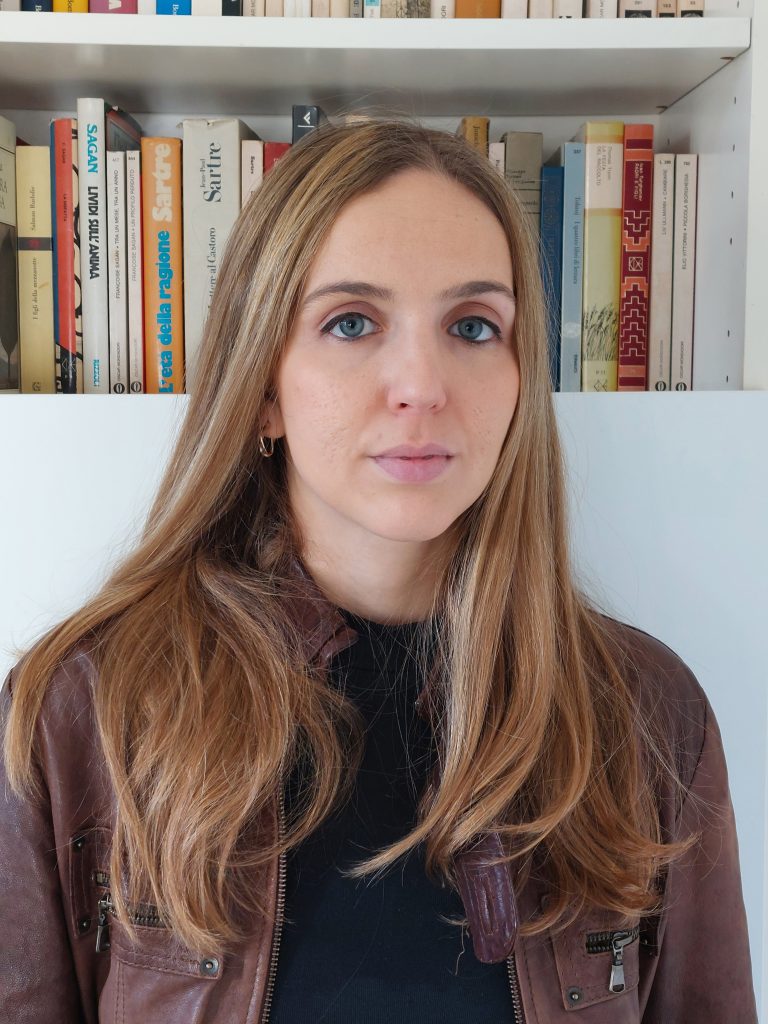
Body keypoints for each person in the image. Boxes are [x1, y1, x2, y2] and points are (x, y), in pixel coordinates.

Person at [0, 116, 757, 1024]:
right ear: (264, 389)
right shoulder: (80, 709)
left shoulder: (649, 716)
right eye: (351, 322)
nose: (422, 385)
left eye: (473, 326)